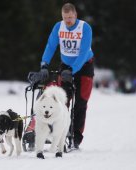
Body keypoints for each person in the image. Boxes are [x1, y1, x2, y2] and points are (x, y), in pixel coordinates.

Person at [38, 3, 94, 149]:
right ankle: (59, 134)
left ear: (75, 15)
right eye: (65, 18)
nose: (68, 21)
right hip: (65, 65)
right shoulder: (58, 27)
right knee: (61, 101)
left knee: (81, 102)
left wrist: (73, 69)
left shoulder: (85, 28)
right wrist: (44, 64)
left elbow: (83, 52)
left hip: (84, 66)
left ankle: (76, 137)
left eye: (70, 18)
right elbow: (51, 45)